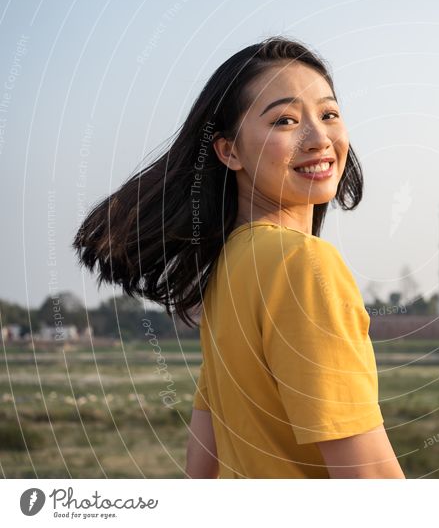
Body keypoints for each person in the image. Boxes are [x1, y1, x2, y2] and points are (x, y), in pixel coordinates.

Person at [72, 36, 405, 479]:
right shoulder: (303, 266)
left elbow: (202, 463)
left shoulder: (230, 268)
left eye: (329, 114)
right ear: (229, 151)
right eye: (285, 121)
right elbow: (370, 479)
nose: (318, 138)